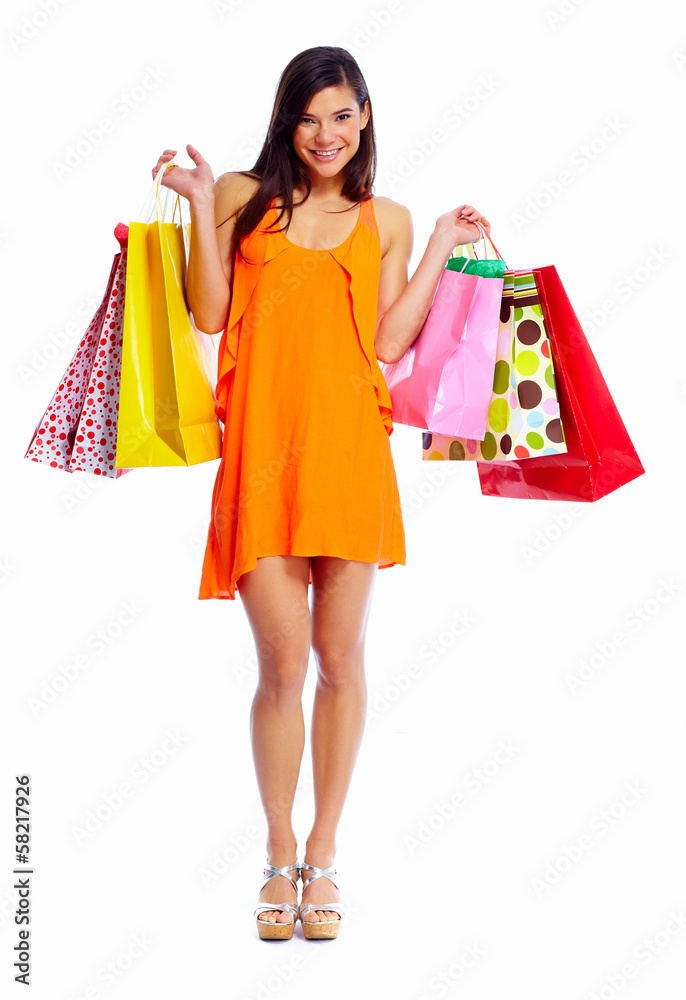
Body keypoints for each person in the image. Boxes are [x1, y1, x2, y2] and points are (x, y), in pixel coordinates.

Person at [152, 45, 489, 940]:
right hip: (261, 457)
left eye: (342, 115)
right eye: (309, 117)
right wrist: (194, 207)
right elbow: (210, 314)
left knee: (342, 663)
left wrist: (446, 248)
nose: (326, 133)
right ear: (285, 121)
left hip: (348, 459)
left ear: (366, 116)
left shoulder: (392, 217)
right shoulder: (238, 196)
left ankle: (325, 855)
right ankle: (276, 852)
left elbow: (385, 344)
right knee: (282, 669)